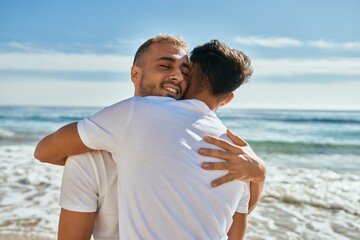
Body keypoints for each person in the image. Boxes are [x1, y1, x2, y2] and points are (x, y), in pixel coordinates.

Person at [35, 36, 265, 239]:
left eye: (183, 71)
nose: (176, 76)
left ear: (191, 73)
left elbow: (44, 151)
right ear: (228, 98)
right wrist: (260, 175)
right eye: (166, 66)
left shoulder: (130, 117)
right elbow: (235, 224)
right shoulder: (239, 156)